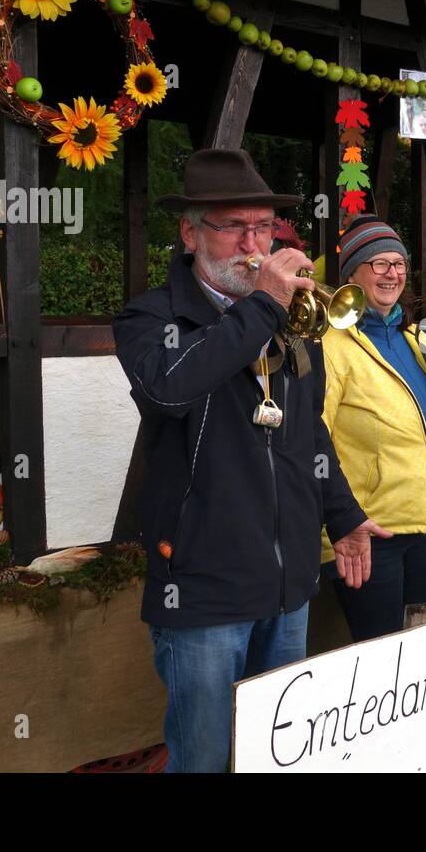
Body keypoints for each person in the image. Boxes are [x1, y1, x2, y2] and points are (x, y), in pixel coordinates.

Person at [112, 149, 390, 772]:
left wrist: (343, 516)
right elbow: (168, 388)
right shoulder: (151, 317)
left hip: (287, 583)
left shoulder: (289, 322)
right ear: (190, 233)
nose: (253, 242)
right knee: (206, 759)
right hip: (203, 590)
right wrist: (262, 305)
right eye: (235, 226)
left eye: (264, 227)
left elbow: (308, 431)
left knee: (274, 758)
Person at [319, 216, 426, 639]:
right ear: (351, 274)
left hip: (425, 530)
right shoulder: (331, 345)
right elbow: (315, 439)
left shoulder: (417, 339)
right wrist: (340, 522)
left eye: (399, 263)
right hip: (368, 535)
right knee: (378, 662)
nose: (393, 273)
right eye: (379, 264)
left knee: (417, 652)